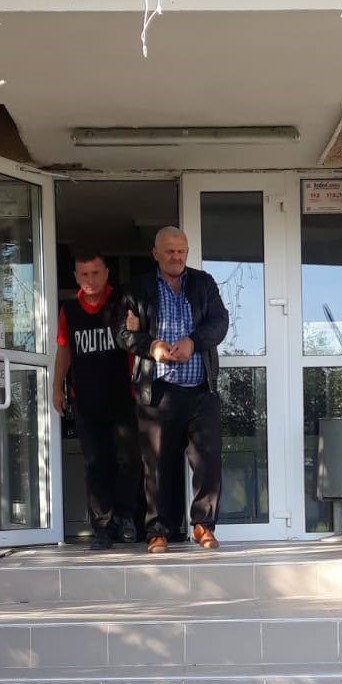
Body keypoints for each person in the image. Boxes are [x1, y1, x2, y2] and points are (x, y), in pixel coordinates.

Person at [116, 226, 229, 554]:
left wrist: (194, 342)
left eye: (181, 251)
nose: (176, 257)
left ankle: (203, 525)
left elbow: (219, 323)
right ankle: (157, 531)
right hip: (158, 391)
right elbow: (122, 333)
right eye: (170, 251)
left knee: (208, 461)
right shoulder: (137, 289)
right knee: (157, 465)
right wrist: (150, 346)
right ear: (156, 254)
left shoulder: (204, 284)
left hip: (201, 389)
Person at [54, 250, 143, 551]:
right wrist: (56, 388)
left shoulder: (123, 302)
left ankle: (125, 515)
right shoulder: (69, 309)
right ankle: (102, 527)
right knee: (95, 463)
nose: (90, 280)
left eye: (95, 273)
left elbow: (140, 339)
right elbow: (64, 349)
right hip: (86, 399)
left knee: (129, 459)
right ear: (76, 277)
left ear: (106, 273)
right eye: (84, 274)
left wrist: (137, 329)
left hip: (124, 396)